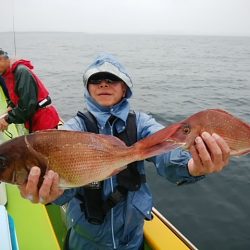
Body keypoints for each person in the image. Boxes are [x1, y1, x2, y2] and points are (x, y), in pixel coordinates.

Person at [19, 53, 230, 250]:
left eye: (112, 79)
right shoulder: (73, 130)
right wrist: (50, 194)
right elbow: (63, 183)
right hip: (85, 240)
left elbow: (167, 149)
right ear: (88, 88)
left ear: (124, 88)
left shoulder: (141, 124)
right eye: (96, 80)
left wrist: (193, 166)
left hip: (132, 240)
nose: (103, 84)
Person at [0, 49, 60, 133]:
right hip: (32, 120)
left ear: (2, 59)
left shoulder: (21, 72)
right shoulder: (8, 75)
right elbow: (17, 96)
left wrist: (7, 119)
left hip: (44, 120)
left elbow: (27, 106)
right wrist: (11, 105)